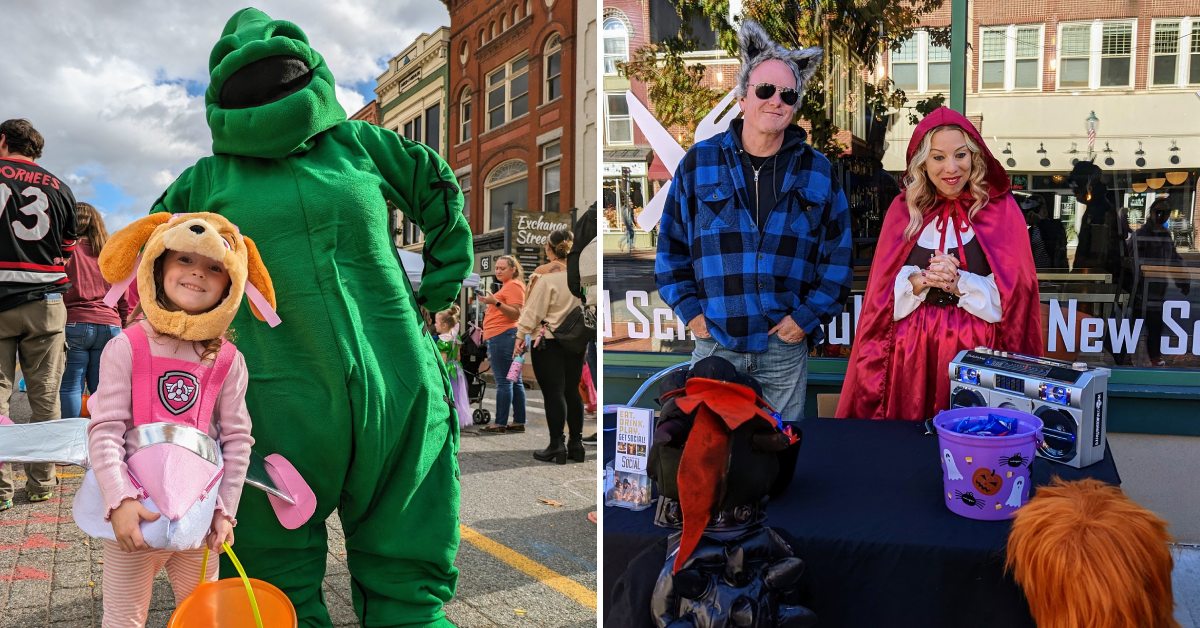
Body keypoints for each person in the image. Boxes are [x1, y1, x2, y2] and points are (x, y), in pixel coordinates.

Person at [150, 10, 474, 624]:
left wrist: (439, 285)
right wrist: (178, 342)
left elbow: (436, 188)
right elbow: (150, 257)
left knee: (406, 551)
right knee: (276, 569)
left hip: (392, 373)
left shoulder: (358, 143)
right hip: (275, 393)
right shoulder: (205, 179)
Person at [656, 20, 852, 423]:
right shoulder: (699, 163)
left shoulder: (817, 171)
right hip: (716, 344)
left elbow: (838, 258)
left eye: (787, 94)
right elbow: (671, 249)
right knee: (708, 456)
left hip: (783, 348)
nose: (775, 100)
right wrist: (692, 313)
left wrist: (803, 321)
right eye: (764, 90)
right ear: (742, 97)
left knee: (778, 451)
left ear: (795, 105)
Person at [83, 212, 272, 626]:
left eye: (214, 267)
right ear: (158, 264)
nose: (197, 274)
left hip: (199, 522)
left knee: (205, 615)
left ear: (232, 284)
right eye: (184, 260)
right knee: (123, 618)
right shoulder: (126, 347)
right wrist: (119, 500)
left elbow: (238, 440)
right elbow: (105, 430)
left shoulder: (228, 360)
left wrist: (224, 509)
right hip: (136, 517)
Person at [837, 107, 1042, 422]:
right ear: (923, 162)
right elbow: (880, 302)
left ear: (974, 156)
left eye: (960, 155)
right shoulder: (902, 211)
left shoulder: (1000, 209)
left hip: (976, 356)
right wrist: (917, 282)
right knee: (910, 443)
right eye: (938, 157)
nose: (951, 167)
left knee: (973, 445)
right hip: (911, 356)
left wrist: (960, 283)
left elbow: (1016, 299)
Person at [0, 118, 78, 512]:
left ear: (2, 141)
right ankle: (41, 484)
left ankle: (0, 491)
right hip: (45, 302)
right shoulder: (60, 187)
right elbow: (67, 248)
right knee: (45, 398)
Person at [516, 229, 586, 464]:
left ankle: (556, 444)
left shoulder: (543, 276)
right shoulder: (582, 273)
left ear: (549, 249)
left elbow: (533, 311)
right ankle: (577, 443)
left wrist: (520, 335)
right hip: (576, 339)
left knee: (553, 392)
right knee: (572, 390)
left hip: (549, 340)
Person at [60, 202, 129, 419]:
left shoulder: (67, 252)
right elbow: (122, 295)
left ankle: (69, 439)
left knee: (72, 385)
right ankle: (102, 433)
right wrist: (122, 322)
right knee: (102, 389)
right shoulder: (109, 254)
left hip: (76, 322)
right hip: (110, 324)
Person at [1128, 199, 1190, 366]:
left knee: (1154, 327)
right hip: (1140, 291)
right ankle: (1125, 357)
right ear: (1152, 212)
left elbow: (1174, 259)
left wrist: (1183, 281)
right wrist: (1134, 285)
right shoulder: (1140, 235)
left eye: (1165, 213)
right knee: (1133, 326)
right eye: (1159, 212)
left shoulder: (1164, 235)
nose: (1161, 216)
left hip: (1156, 291)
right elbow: (1131, 263)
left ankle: (1153, 358)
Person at [478, 255, 528, 434]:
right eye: (497, 268)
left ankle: (500, 423)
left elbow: (516, 314)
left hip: (503, 336)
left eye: (502, 268)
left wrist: (495, 302)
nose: (498, 271)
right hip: (507, 335)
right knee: (514, 380)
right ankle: (518, 421)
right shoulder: (510, 286)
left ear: (513, 269)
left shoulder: (514, 286)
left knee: (504, 381)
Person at [1069, 161, 1125, 277]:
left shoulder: (1099, 210)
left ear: (1087, 185)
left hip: (1099, 280)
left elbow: (1097, 257)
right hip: (1100, 277)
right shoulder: (1098, 206)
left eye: (1076, 187)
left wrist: (1077, 277)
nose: (1074, 192)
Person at [435, 305, 473, 429]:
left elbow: (443, 360)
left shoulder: (442, 341)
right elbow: (458, 357)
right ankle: (459, 419)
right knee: (458, 396)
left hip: (448, 371)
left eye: (436, 322)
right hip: (457, 370)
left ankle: (448, 419)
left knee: (447, 395)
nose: (435, 325)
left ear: (444, 325)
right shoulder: (456, 338)